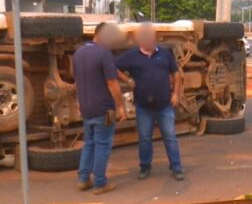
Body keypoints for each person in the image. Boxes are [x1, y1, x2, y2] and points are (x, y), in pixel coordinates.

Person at [116, 23, 185, 181]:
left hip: (164, 105)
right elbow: (113, 67)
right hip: (143, 107)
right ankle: (145, 167)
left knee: (170, 137)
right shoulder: (131, 55)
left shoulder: (165, 54)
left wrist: (176, 93)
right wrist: (127, 80)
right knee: (145, 138)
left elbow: (175, 73)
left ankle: (176, 167)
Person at [72, 22, 126, 195]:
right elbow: (112, 83)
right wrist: (120, 106)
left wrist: (79, 103)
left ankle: (83, 179)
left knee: (89, 143)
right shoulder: (104, 54)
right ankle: (100, 183)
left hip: (86, 107)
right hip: (103, 108)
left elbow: (77, 82)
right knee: (103, 145)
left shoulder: (78, 53)